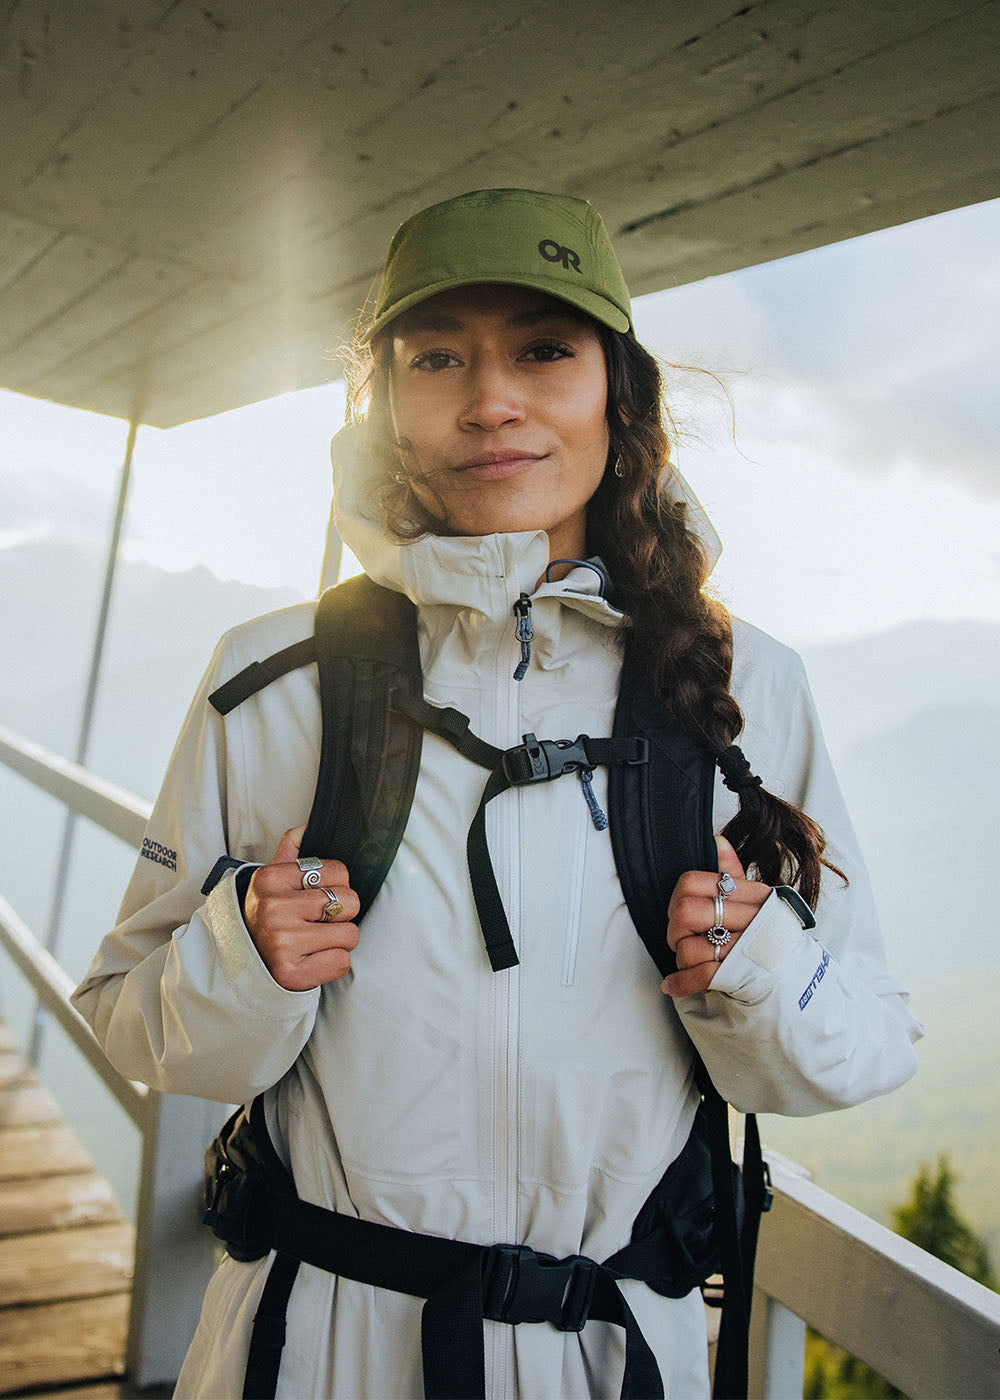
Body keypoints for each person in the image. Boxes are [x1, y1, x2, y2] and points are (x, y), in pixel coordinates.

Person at [72, 188, 923, 1400]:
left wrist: (758, 966)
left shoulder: (744, 683)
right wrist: (243, 953)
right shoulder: (270, 679)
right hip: (317, 1352)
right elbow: (127, 1015)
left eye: (542, 350)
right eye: (437, 358)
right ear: (384, 401)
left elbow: (865, 1043)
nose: (489, 401)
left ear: (618, 392)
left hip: (611, 1354)